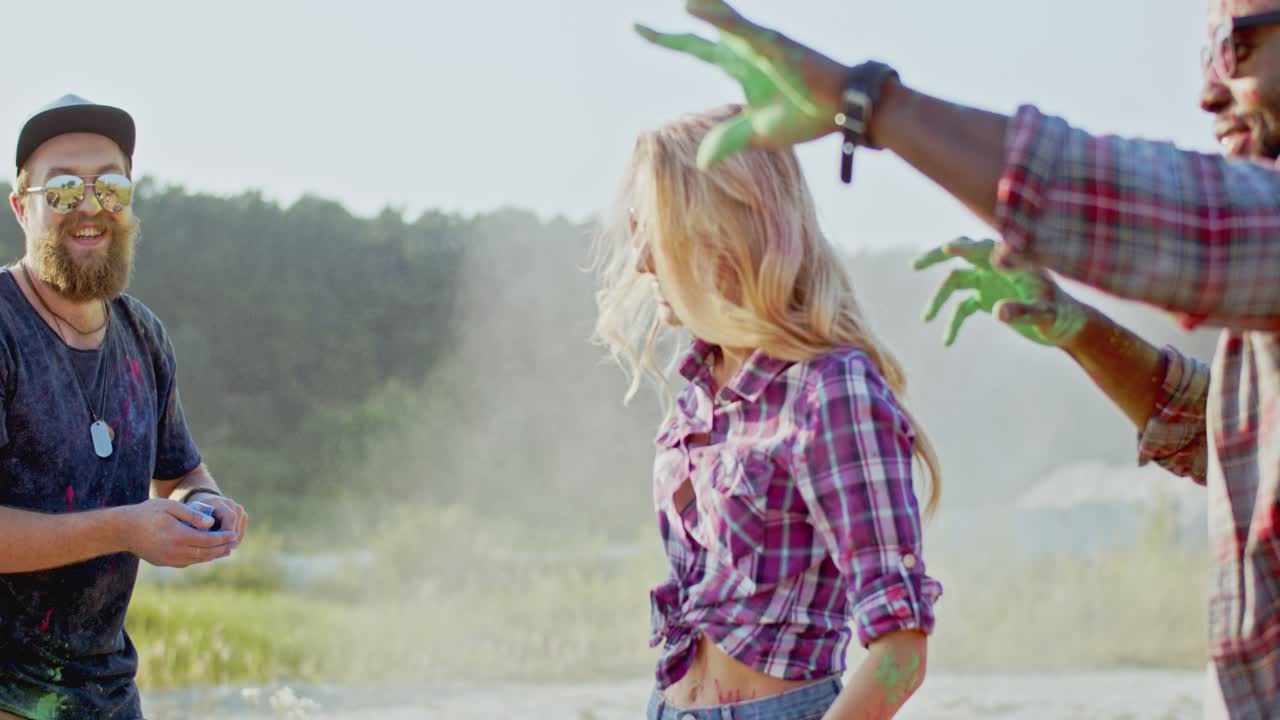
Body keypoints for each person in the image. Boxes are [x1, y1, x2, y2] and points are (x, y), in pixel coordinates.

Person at [639, 0, 1280, 716]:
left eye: (1235, 47)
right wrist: (1079, 328)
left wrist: (871, 102)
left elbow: (1179, 216)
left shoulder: (830, 390)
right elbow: (1205, 431)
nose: (1206, 91)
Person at [593, 104, 941, 720]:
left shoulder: (831, 391)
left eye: (654, 229)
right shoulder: (699, 400)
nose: (642, 259)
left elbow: (902, 654)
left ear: (721, 228)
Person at [0, 94, 247, 720]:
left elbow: (180, 473)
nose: (89, 206)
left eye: (109, 186)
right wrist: (124, 527)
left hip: (106, 697)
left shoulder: (144, 335)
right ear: (20, 207)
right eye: (61, 191)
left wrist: (203, 505)